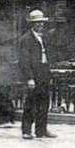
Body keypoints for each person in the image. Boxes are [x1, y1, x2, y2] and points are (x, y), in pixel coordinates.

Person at [17, 9, 56, 140]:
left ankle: (42, 130)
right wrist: (29, 78)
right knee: (31, 103)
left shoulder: (44, 37)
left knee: (44, 103)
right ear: (32, 24)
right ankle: (26, 130)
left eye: (41, 22)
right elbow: (24, 60)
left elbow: (48, 56)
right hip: (34, 74)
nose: (40, 25)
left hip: (44, 72)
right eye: (37, 23)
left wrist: (49, 75)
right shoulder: (26, 39)